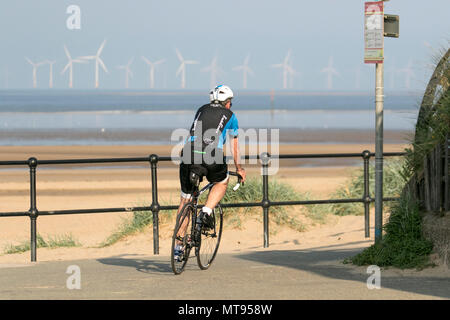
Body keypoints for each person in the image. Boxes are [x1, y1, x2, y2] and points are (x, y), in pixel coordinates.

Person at [174, 85, 246, 261]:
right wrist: (239, 169)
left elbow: (193, 133)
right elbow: (234, 147)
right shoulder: (231, 116)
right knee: (222, 181)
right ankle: (206, 211)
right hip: (212, 155)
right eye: (230, 102)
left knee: (185, 200)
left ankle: (178, 247)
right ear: (227, 103)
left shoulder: (201, 109)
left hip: (190, 154)